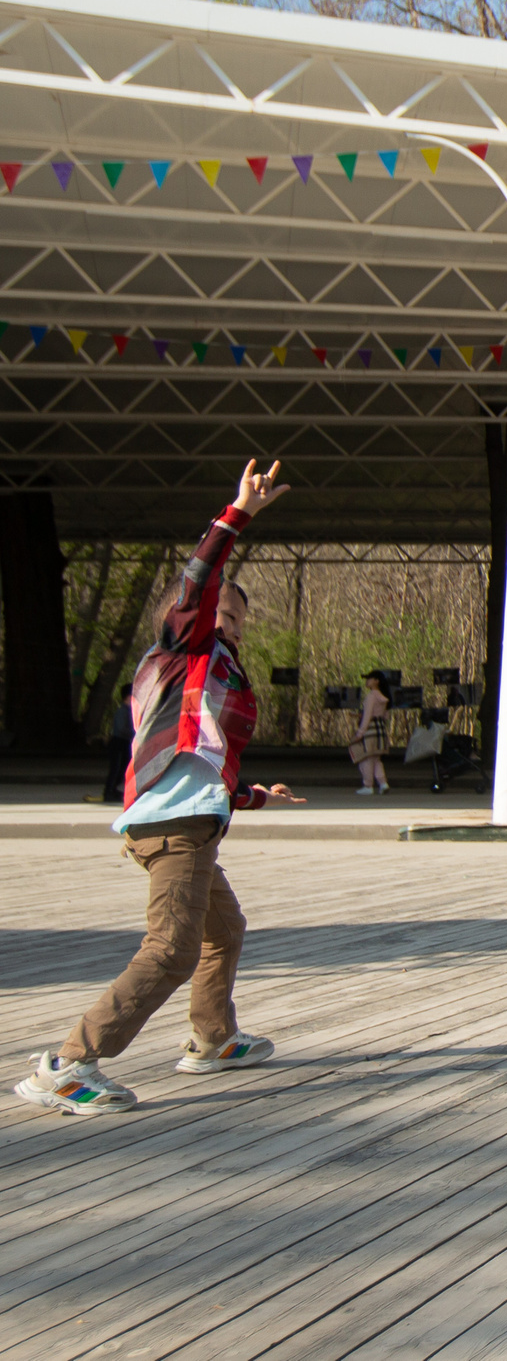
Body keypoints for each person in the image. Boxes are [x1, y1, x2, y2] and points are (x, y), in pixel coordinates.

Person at [18, 461, 305, 1118]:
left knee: (223, 928)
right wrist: (237, 515)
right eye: (222, 609)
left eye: (237, 612)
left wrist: (259, 795)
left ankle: (214, 1037)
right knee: (171, 947)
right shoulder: (183, 648)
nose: (229, 615)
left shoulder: (220, 671)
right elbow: (196, 583)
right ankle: (68, 1064)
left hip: (193, 819)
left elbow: (205, 769)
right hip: (172, 827)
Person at [351, 670, 392, 795]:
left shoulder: (371, 696)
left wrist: (359, 734)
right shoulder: (384, 697)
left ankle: (368, 785)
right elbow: (385, 716)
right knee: (376, 759)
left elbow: (367, 716)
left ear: (376, 681)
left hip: (370, 730)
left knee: (366, 759)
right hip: (380, 729)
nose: (367, 681)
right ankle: (383, 783)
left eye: (370, 679)